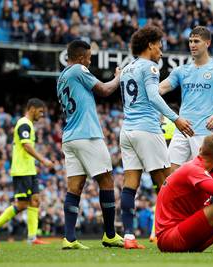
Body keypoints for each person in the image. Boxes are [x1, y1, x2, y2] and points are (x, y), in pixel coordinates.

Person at [119, 25, 194, 249]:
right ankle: (171, 232)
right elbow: (153, 95)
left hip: (127, 131)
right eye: (159, 45)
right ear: (150, 44)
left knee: (130, 184)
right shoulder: (150, 67)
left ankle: (129, 237)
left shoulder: (126, 68)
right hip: (147, 130)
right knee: (165, 183)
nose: (161, 50)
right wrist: (176, 118)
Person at [57, 40, 123, 249]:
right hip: (87, 135)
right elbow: (104, 90)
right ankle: (110, 235)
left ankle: (69, 238)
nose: (90, 60)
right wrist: (118, 78)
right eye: (89, 57)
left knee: (74, 187)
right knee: (107, 181)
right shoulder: (78, 69)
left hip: (69, 137)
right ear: (79, 58)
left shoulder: (61, 77)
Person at [159, 26, 213, 173]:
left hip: (203, 131)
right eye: (190, 41)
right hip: (182, 129)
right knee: (171, 175)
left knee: (202, 178)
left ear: (208, 43)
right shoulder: (181, 70)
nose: (192, 45)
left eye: (196, 41)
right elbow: (159, 89)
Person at [0, 98, 54, 245]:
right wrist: (43, 160)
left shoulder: (28, 124)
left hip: (30, 170)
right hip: (22, 171)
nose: (42, 115)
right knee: (23, 204)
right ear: (32, 108)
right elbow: (26, 146)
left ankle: (32, 238)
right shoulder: (24, 124)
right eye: (40, 111)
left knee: (35, 201)